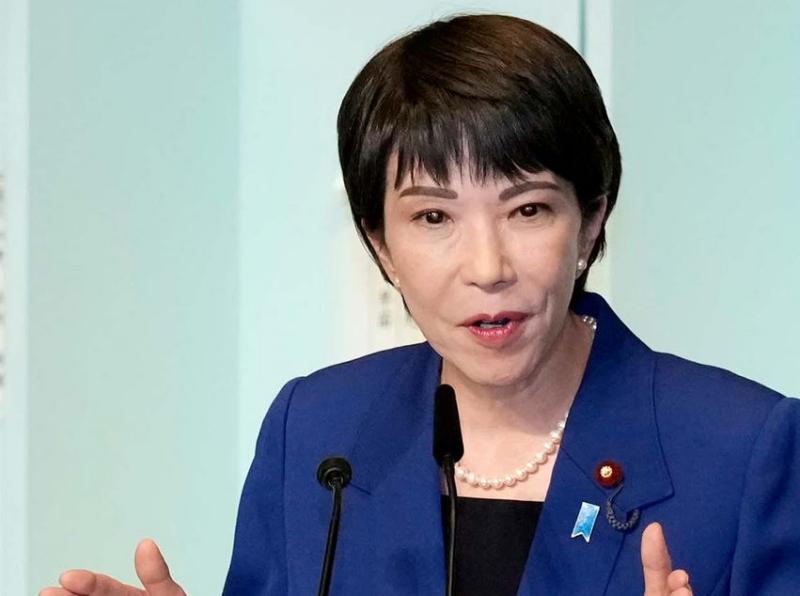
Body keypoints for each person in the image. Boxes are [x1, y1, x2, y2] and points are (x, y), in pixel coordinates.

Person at [40, 13, 799, 596]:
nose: (487, 267)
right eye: (434, 217)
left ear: (591, 220)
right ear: (380, 245)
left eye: (528, 209)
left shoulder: (743, 450)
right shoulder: (316, 434)